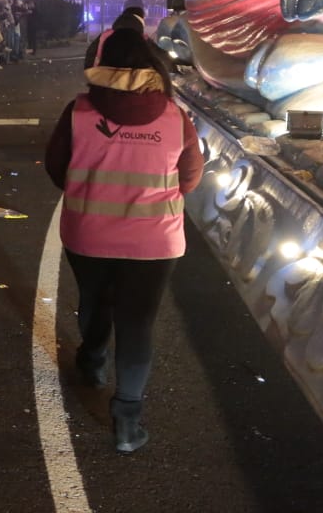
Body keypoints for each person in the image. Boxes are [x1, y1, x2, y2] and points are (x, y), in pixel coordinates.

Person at [43, 28, 204, 454]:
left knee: (95, 300)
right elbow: (190, 177)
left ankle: (92, 360)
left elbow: (57, 167)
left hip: (88, 232)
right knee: (137, 322)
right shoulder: (174, 116)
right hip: (154, 240)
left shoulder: (78, 112)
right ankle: (128, 423)